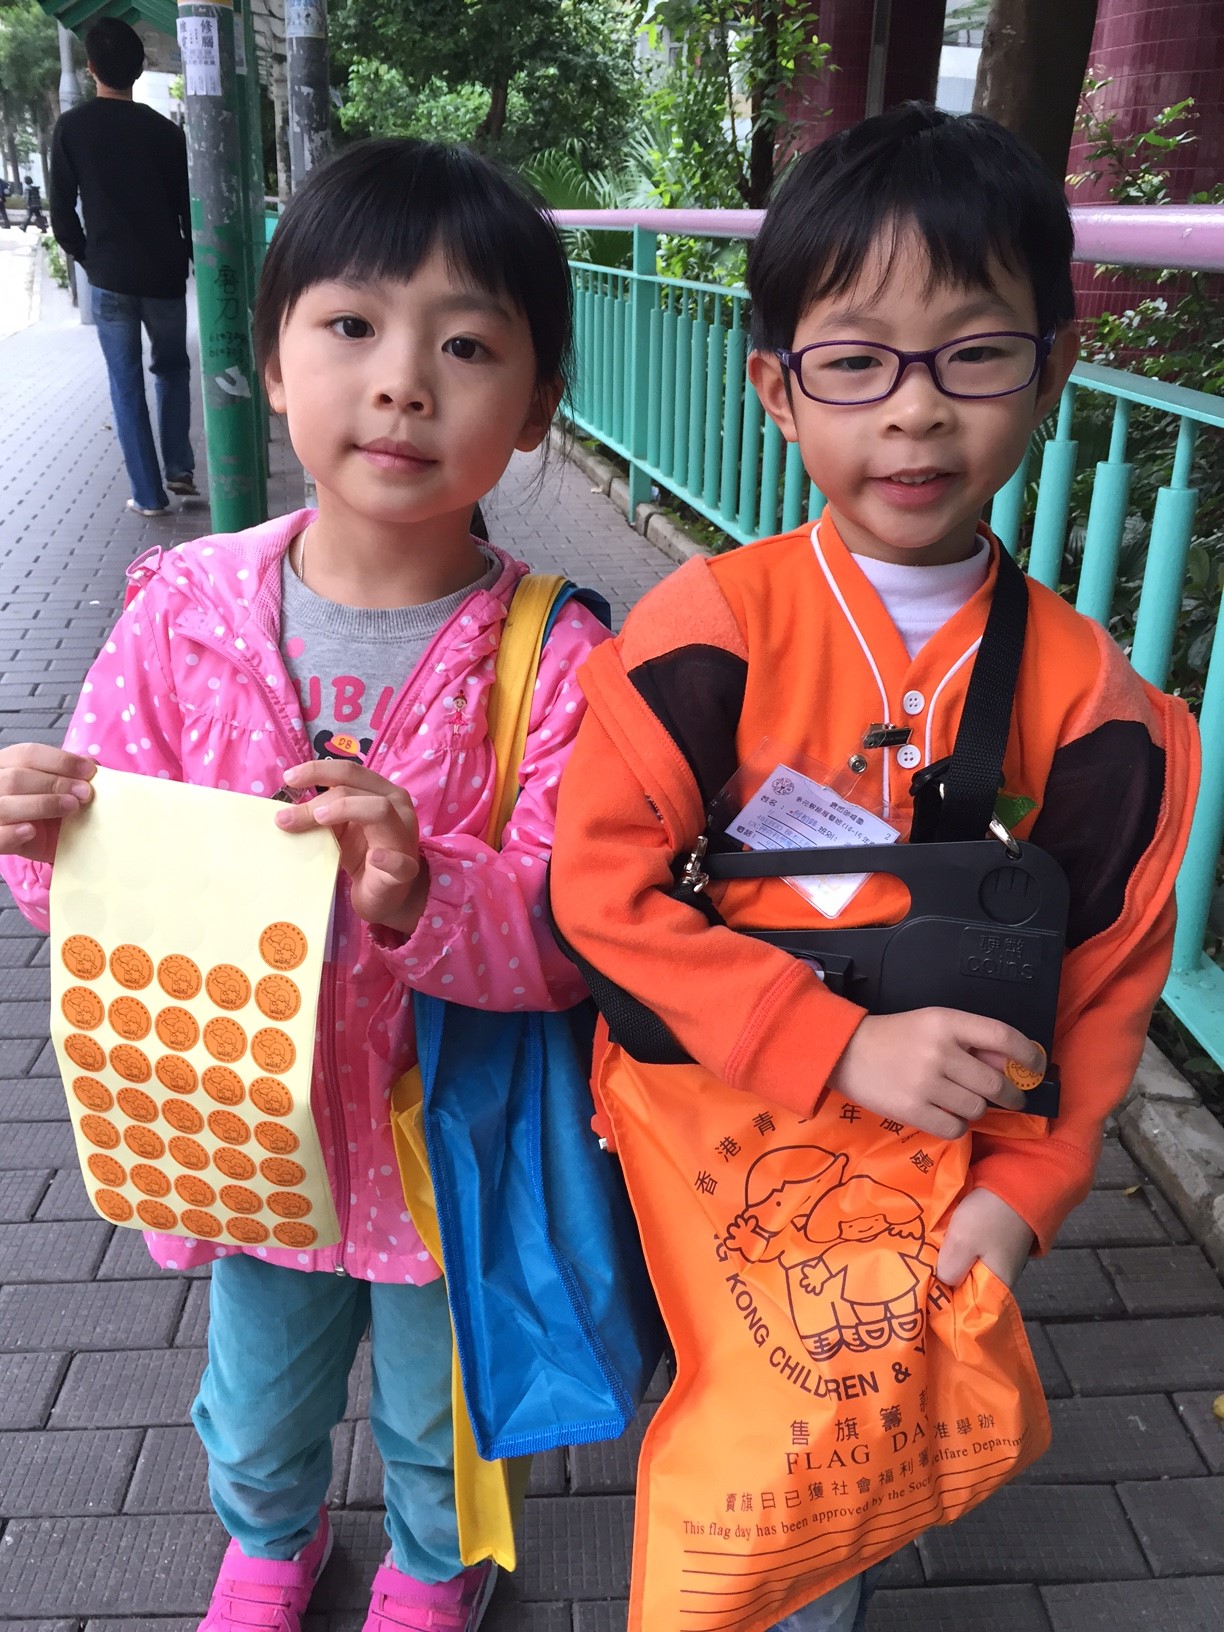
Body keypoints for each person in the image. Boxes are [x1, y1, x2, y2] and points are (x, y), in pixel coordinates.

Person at [551, 104, 1198, 1632]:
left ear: (1050, 369)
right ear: (778, 389)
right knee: (711, 1391)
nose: (915, 413)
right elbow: (599, 887)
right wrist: (834, 1043)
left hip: (931, 1175)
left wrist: (1027, 1189)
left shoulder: (1098, 712)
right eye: (857, 361)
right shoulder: (708, 631)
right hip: (694, 1136)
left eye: (974, 355)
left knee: (818, 1472)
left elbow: (1101, 981)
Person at [0, 138, 607, 1632]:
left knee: (437, 1408)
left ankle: (431, 1562)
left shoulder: (559, 659)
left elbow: (568, 929)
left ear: (536, 408)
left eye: (466, 346)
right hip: (246, 1137)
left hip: (446, 1146)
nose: (402, 383)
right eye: (351, 326)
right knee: (256, 1397)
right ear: (272, 361)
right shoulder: (184, 614)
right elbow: (92, 891)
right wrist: (45, 839)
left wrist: (420, 894)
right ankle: (271, 1542)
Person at [49, 18, 196, 516]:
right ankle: (179, 467)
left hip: (110, 276)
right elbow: (187, 207)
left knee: (126, 383)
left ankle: (149, 496)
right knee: (172, 368)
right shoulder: (166, 133)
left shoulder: (72, 129)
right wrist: (186, 255)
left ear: (90, 68)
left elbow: (62, 211)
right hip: (164, 276)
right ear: (140, 69)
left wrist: (87, 257)